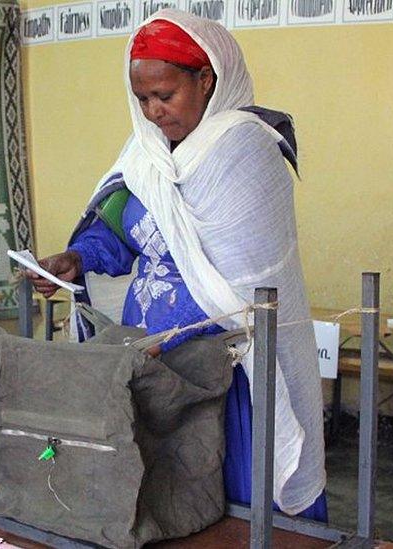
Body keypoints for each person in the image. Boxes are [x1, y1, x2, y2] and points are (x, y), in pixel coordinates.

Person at [27, 10, 326, 520]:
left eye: (165, 96)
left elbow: (244, 279)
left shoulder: (245, 148)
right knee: (167, 493)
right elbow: (124, 231)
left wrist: (174, 331)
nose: (153, 112)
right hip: (156, 358)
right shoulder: (145, 154)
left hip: (230, 365)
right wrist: (78, 259)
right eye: (142, 100)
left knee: (235, 497)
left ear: (206, 79)